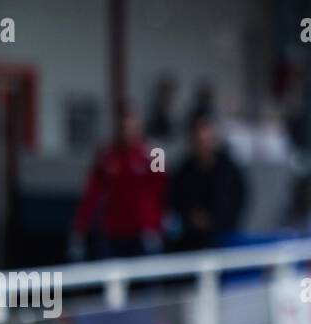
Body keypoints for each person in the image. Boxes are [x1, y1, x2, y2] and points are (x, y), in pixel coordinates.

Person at [70, 104, 167, 260]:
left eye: (132, 128)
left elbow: (163, 190)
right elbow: (92, 193)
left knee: (147, 277)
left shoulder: (155, 154)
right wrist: (80, 227)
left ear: (139, 129)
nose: (128, 133)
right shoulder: (106, 155)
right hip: (113, 231)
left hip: (144, 231)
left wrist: (158, 224)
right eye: (124, 128)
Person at [169, 115, 247, 251]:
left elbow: (238, 199)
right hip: (191, 240)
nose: (202, 145)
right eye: (198, 141)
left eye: (206, 140)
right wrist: (191, 217)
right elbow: (176, 199)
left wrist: (215, 220)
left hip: (222, 238)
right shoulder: (184, 171)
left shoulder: (228, 169)